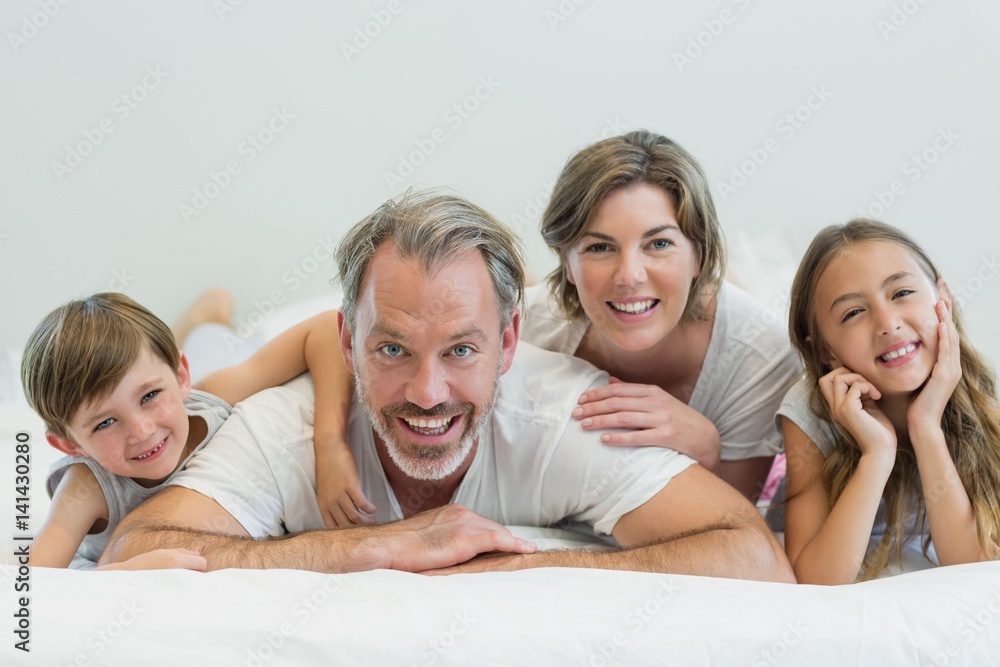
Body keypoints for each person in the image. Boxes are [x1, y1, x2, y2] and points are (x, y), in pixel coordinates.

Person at [99, 191, 794, 582]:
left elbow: (755, 554)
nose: (428, 392)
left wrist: (504, 567)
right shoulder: (282, 426)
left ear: (510, 341)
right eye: (392, 349)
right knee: (213, 360)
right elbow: (133, 547)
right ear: (346, 341)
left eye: (461, 349)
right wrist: (378, 547)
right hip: (228, 374)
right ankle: (207, 323)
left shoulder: (566, 414)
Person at [308, 130, 801, 526]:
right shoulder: (536, 323)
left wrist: (708, 449)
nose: (629, 276)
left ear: (700, 254)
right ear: (566, 262)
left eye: (659, 244)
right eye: (599, 247)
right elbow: (344, 333)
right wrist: (329, 444)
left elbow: (728, 527)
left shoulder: (757, 357)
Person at [22, 291, 347, 570]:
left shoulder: (213, 398)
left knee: (215, 341)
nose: (142, 431)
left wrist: (330, 445)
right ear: (69, 445)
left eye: (149, 396)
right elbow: (30, 583)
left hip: (209, 369)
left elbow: (327, 328)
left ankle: (208, 316)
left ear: (180, 378)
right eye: (105, 423)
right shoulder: (86, 488)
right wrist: (120, 570)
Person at [780, 219, 1000, 584]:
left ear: (943, 301)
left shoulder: (981, 391)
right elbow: (816, 583)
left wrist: (925, 427)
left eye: (902, 293)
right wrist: (877, 453)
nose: (887, 323)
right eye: (853, 313)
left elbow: (975, 572)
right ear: (825, 352)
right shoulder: (811, 408)